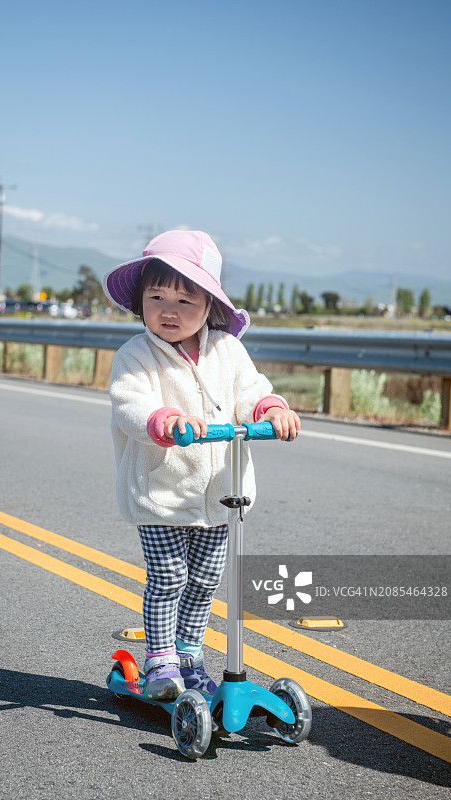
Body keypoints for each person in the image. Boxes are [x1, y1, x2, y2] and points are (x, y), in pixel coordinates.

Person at [102, 230, 300, 701]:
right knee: (168, 578)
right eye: (157, 297)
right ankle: (160, 660)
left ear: (210, 305)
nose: (169, 310)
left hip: (220, 493)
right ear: (141, 300)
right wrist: (163, 420)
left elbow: (251, 390)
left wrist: (271, 410)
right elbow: (129, 404)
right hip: (161, 491)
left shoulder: (227, 351)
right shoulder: (136, 355)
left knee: (207, 580)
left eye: (185, 300)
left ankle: (189, 654)